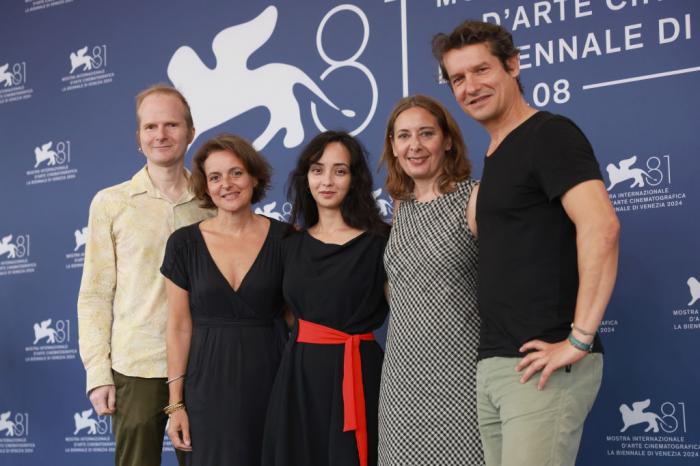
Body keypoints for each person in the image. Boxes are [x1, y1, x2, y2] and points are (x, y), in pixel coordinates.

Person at [433, 20, 621, 466]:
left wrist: (578, 339)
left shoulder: (549, 134)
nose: (470, 86)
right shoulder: (496, 153)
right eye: (458, 78)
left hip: (547, 364)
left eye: (481, 70)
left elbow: (601, 227)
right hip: (498, 362)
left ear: (513, 65)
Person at [77, 84, 211, 466]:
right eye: (150, 127)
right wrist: (98, 373)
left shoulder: (212, 202)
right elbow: (94, 295)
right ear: (138, 138)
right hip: (136, 367)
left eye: (171, 124)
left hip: (201, 362)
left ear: (190, 132)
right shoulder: (111, 203)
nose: (161, 135)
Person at [262, 131, 390, 466]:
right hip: (300, 375)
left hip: (360, 372)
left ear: (355, 178)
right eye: (318, 170)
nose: (327, 181)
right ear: (306, 177)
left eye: (340, 170)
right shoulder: (288, 245)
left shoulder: (381, 241)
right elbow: (283, 312)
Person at [161, 133, 288, 465]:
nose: (226, 184)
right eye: (215, 177)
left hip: (273, 381)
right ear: (205, 186)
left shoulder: (286, 239)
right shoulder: (183, 244)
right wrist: (176, 405)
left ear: (254, 176)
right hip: (206, 387)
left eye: (236, 172)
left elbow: (298, 317)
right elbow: (177, 326)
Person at [377, 95, 483, 465]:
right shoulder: (399, 206)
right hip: (402, 378)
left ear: (448, 140)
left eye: (426, 133)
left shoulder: (474, 198)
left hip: (462, 374)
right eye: (404, 136)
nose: (415, 145)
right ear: (393, 145)